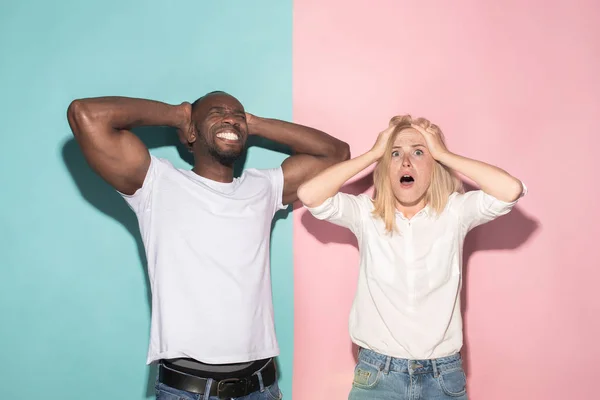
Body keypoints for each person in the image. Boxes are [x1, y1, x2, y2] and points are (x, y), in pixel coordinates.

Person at [67, 92, 350, 400]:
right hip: (187, 390)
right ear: (191, 132)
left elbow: (336, 154)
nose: (231, 118)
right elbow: (86, 114)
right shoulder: (156, 183)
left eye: (237, 115)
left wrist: (251, 123)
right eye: (217, 113)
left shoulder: (264, 188)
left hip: (261, 387)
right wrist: (180, 114)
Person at [298, 115, 526, 400]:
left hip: (443, 378)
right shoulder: (366, 215)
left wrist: (443, 153)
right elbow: (309, 194)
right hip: (377, 374)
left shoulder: (454, 213)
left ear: (434, 166)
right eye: (396, 153)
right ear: (386, 166)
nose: (406, 162)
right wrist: (373, 153)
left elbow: (510, 190)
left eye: (418, 152)